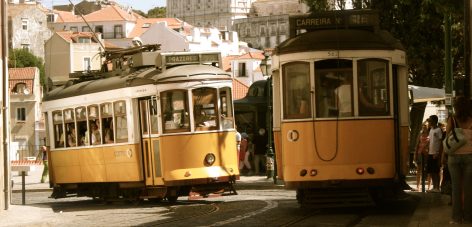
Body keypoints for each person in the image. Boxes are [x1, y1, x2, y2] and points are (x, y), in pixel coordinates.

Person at [446, 96, 472, 224]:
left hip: (453, 157)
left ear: (456, 107)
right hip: (470, 157)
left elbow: (447, 139)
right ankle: (468, 217)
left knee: (456, 189)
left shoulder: (452, 119)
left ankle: (456, 218)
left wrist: (442, 157)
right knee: (468, 189)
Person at [426, 115, 442, 193]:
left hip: (435, 153)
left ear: (434, 121)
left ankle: (437, 187)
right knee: (431, 171)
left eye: (430, 120)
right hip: (430, 152)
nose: (429, 122)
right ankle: (434, 186)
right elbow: (430, 140)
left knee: (436, 171)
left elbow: (440, 141)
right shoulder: (431, 130)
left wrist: (438, 152)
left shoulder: (438, 130)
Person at [414, 122, 430, 191]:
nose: (424, 127)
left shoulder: (430, 133)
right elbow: (417, 144)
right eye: (423, 125)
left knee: (429, 170)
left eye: (425, 125)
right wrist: (415, 154)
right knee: (419, 170)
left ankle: (429, 187)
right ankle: (418, 186)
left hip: (428, 153)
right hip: (420, 153)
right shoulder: (420, 134)